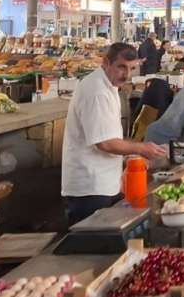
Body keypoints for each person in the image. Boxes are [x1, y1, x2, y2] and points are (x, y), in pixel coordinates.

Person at [61, 43, 166, 226]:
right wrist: (141, 148)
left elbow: (109, 135)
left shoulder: (108, 85)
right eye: (121, 67)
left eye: (132, 68)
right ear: (106, 62)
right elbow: (105, 143)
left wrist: (131, 155)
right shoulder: (97, 92)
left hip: (104, 182)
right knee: (90, 246)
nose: (126, 75)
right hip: (90, 188)